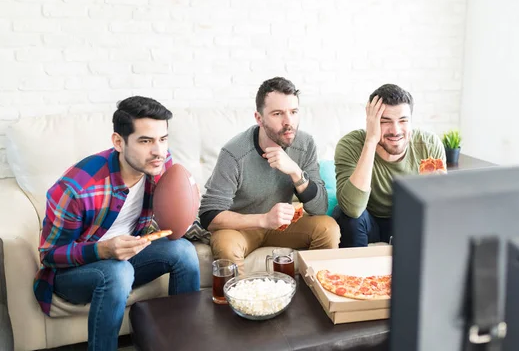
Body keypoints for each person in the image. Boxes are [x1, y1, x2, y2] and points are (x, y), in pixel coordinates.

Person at [33, 96, 200, 351]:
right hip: (74, 273)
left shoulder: (160, 163)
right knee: (117, 272)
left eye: (163, 139)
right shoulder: (76, 188)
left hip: (129, 256)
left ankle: (182, 343)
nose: (158, 151)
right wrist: (103, 250)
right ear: (118, 142)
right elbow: (49, 256)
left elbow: (172, 216)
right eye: (146, 141)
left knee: (184, 252)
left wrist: (185, 209)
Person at [200, 77, 340, 273]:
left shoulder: (305, 144)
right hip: (241, 227)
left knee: (328, 228)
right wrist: (264, 220)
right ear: (259, 118)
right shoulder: (234, 153)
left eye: (293, 112)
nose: (288, 122)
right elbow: (209, 216)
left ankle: (315, 296)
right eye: (277, 114)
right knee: (226, 245)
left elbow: (319, 208)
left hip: (282, 226)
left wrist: (295, 171)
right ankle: (241, 302)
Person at [333, 84, 446, 247]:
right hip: (368, 222)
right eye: (385, 122)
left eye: (403, 121)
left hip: (408, 221)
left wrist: (438, 192)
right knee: (346, 216)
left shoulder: (429, 145)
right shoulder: (351, 145)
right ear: (371, 122)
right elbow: (353, 208)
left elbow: (439, 211)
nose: (395, 130)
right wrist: (371, 141)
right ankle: (358, 271)